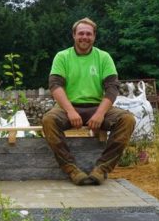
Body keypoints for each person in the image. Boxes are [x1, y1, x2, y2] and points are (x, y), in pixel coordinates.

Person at [42, 18, 135, 185]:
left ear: (94, 36)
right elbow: (55, 85)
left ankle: (102, 169)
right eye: (81, 33)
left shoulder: (104, 57)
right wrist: (70, 111)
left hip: (97, 107)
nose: (84, 37)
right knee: (49, 120)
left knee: (127, 120)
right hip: (68, 107)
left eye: (88, 34)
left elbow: (112, 87)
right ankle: (71, 169)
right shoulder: (62, 57)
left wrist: (100, 113)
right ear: (73, 35)